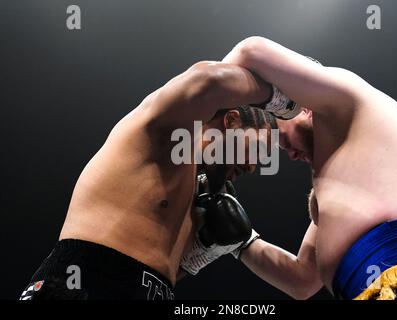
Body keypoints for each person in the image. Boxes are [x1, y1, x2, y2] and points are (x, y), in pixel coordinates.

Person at [19, 61, 280, 300]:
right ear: (232, 120)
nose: (252, 165)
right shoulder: (168, 129)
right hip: (85, 278)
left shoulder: (195, 192)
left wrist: (203, 250)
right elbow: (208, 80)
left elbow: (160, 275)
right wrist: (279, 96)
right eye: (257, 149)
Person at [220, 36, 397, 300]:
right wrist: (241, 242)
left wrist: (208, 120)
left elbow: (251, 50)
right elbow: (302, 280)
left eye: (284, 140)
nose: (291, 154)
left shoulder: (349, 97)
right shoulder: (348, 184)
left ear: (301, 105)